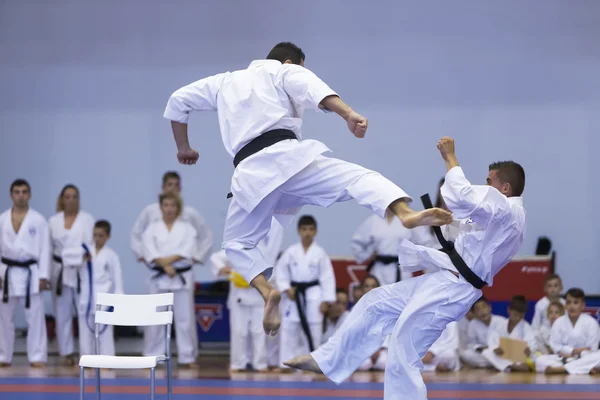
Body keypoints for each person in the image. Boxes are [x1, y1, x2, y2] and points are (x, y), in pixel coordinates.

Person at [163, 42, 451, 335]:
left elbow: (177, 101)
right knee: (356, 178)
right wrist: (348, 113)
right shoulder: (283, 72)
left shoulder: (223, 82)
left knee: (237, 245)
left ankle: (266, 290)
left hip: (251, 175)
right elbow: (311, 86)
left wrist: (183, 147)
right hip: (289, 160)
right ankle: (403, 211)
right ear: (291, 62)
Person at [284, 136, 527, 400]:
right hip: (445, 279)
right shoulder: (501, 216)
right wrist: (442, 220)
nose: (486, 185)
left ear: (505, 188)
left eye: (490, 181)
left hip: (455, 288)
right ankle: (327, 359)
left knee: (403, 348)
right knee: (375, 302)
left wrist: (450, 157)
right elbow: (469, 231)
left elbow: (463, 195)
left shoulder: (508, 210)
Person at [210, 218, 284, 372]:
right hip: (239, 296)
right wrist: (225, 270)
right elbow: (215, 258)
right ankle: (238, 363)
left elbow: (273, 272)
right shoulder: (238, 247)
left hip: (258, 297)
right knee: (239, 332)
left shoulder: (267, 250)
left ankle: (260, 363)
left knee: (259, 332)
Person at [141, 192, 199, 367]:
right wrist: (165, 266)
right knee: (155, 319)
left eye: (172, 205)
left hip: (180, 276)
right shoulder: (152, 228)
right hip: (159, 277)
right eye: (166, 205)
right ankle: (152, 356)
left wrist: (168, 262)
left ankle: (186, 357)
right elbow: (148, 251)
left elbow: (188, 251)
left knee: (184, 319)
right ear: (160, 207)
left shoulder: (187, 228)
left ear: (178, 208)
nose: (169, 209)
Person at [0, 179, 51, 367]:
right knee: (3, 317)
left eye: (24, 192)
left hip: (31, 272)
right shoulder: (2, 219)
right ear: (11, 195)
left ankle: (37, 356)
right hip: (7, 272)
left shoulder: (38, 220)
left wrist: (44, 276)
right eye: (17, 192)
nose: (20, 195)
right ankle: (3, 356)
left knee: (35, 317)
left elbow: (45, 248)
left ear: (29, 195)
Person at [276, 215, 335, 369]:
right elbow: (280, 272)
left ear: (315, 231)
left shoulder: (320, 253)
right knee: (289, 331)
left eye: (310, 229)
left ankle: (313, 364)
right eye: (304, 229)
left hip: (314, 295)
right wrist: (285, 288)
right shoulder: (290, 252)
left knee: (314, 331)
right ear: (298, 231)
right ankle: (286, 365)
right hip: (294, 295)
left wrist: (326, 301)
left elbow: (327, 277)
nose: (307, 233)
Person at [48, 184, 95, 365]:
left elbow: (92, 245)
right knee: (62, 313)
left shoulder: (87, 219)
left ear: (79, 199)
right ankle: (66, 353)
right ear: (62, 199)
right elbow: (48, 249)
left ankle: (87, 353)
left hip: (80, 270)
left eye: (75, 196)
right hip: (59, 271)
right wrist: (44, 275)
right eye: (67, 197)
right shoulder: (53, 221)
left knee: (83, 311)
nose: (71, 200)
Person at [77, 220, 124, 356]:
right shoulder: (85, 252)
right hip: (86, 295)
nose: (97, 239)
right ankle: (86, 358)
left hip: (104, 296)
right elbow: (74, 265)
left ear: (108, 237)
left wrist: (118, 298)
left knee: (105, 330)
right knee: (85, 330)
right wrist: (82, 260)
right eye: (95, 235)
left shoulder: (112, 255)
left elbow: (117, 279)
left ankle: (106, 358)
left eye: (101, 236)